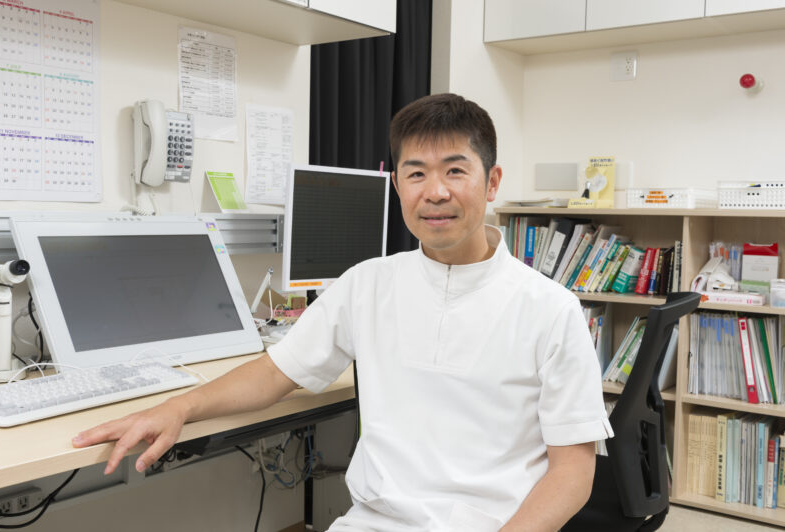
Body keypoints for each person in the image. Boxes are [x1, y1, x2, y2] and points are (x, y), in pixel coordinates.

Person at [73, 93, 613, 531]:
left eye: (455, 170)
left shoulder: (551, 310)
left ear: (491, 182)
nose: (435, 192)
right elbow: (275, 372)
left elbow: (572, 473)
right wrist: (179, 408)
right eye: (416, 174)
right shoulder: (367, 285)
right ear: (397, 185)